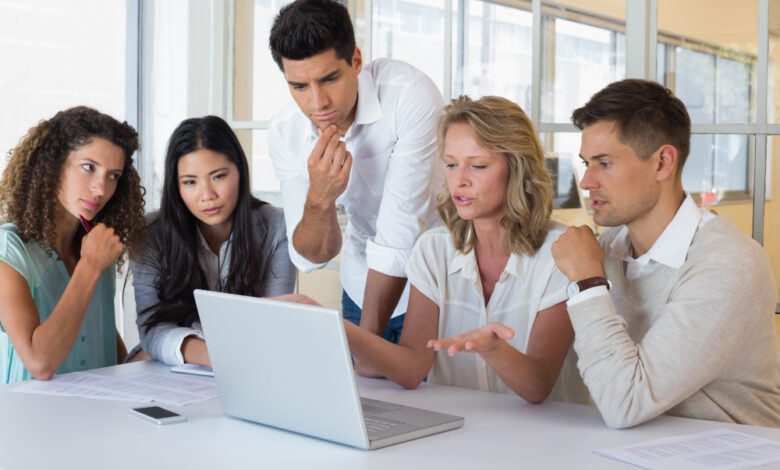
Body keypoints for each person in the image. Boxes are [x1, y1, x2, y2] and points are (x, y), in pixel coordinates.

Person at [284, 96, 588, 403]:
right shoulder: (434, 249)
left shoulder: (562, 253)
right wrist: (326, 319)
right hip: (459, 433)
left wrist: (494, 348)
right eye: (452, 165)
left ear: (517, 168)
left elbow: (538, 385)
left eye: (478, 165)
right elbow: (413, 366)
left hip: (546, 441)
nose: (460, 181)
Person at [551, 79, 780, 428]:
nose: (586, 182)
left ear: (662, 163)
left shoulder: (729, 264)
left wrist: (587, 282)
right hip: (637, 450)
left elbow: (625, 403)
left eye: (605, 163)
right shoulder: (610, 243)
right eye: (586, 164)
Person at [267, 0, 443, 344]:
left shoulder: (410, 95)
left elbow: (399, 233)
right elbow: (311, 257)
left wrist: (368, 344)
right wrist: (320, 198)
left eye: (329, 78)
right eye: (299, 87)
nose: (317, 103)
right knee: (362, 396)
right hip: (361, 286)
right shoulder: (285, 130)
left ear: (356, 62)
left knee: (428, 398)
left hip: (434, 285)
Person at [132, 116, 296, 367]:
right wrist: (214, 356)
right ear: (176, 186)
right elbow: (151, 330)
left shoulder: (277, 227)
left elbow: (273, 322)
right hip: (180, 361)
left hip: (253, 361)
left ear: (240, 171)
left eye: (218, 176)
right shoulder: (150, 233)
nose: (207, 195)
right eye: (190, 182)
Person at [0, 106, 146, 383]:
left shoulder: (98, 246)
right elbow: (39, 362)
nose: (101, 188)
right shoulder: (9, 249)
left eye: (113, 175)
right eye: (88, 167)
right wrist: (90, 265)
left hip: (98, 413)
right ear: (53, 164)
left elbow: (99, 337)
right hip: (31, 418)